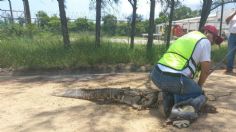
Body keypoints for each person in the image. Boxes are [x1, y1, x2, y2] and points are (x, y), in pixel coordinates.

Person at [150, 25, 223, 117]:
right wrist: (198, 87)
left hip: (156, 74)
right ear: (207, 33)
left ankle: (167, 103)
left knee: (179, 87)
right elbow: (205, 72)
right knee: (199, 94)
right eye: (214, 39)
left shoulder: (187, 36)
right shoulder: (205, 41)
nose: (212, 43)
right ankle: (178, 111)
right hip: (174, 79)